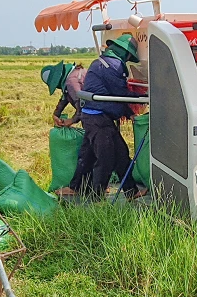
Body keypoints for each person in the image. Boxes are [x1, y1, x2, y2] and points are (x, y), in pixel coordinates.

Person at [59, 34, 145, 200]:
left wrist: (130, 113)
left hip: (94, 117)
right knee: (106, 158)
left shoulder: (101, 62)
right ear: (125, 53)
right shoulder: (113, 66)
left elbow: (112, 94)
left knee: (115, 153)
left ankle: (130, 191)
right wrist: (147, 96)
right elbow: (120, 93)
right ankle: (97, 198)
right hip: (98, 119)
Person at [41, 61, 87, 127]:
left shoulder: (71, 82)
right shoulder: (75, 72)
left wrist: (72, 120)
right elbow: (66, 95)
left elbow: (82, 105)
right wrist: (56, 114)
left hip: (95, 116)